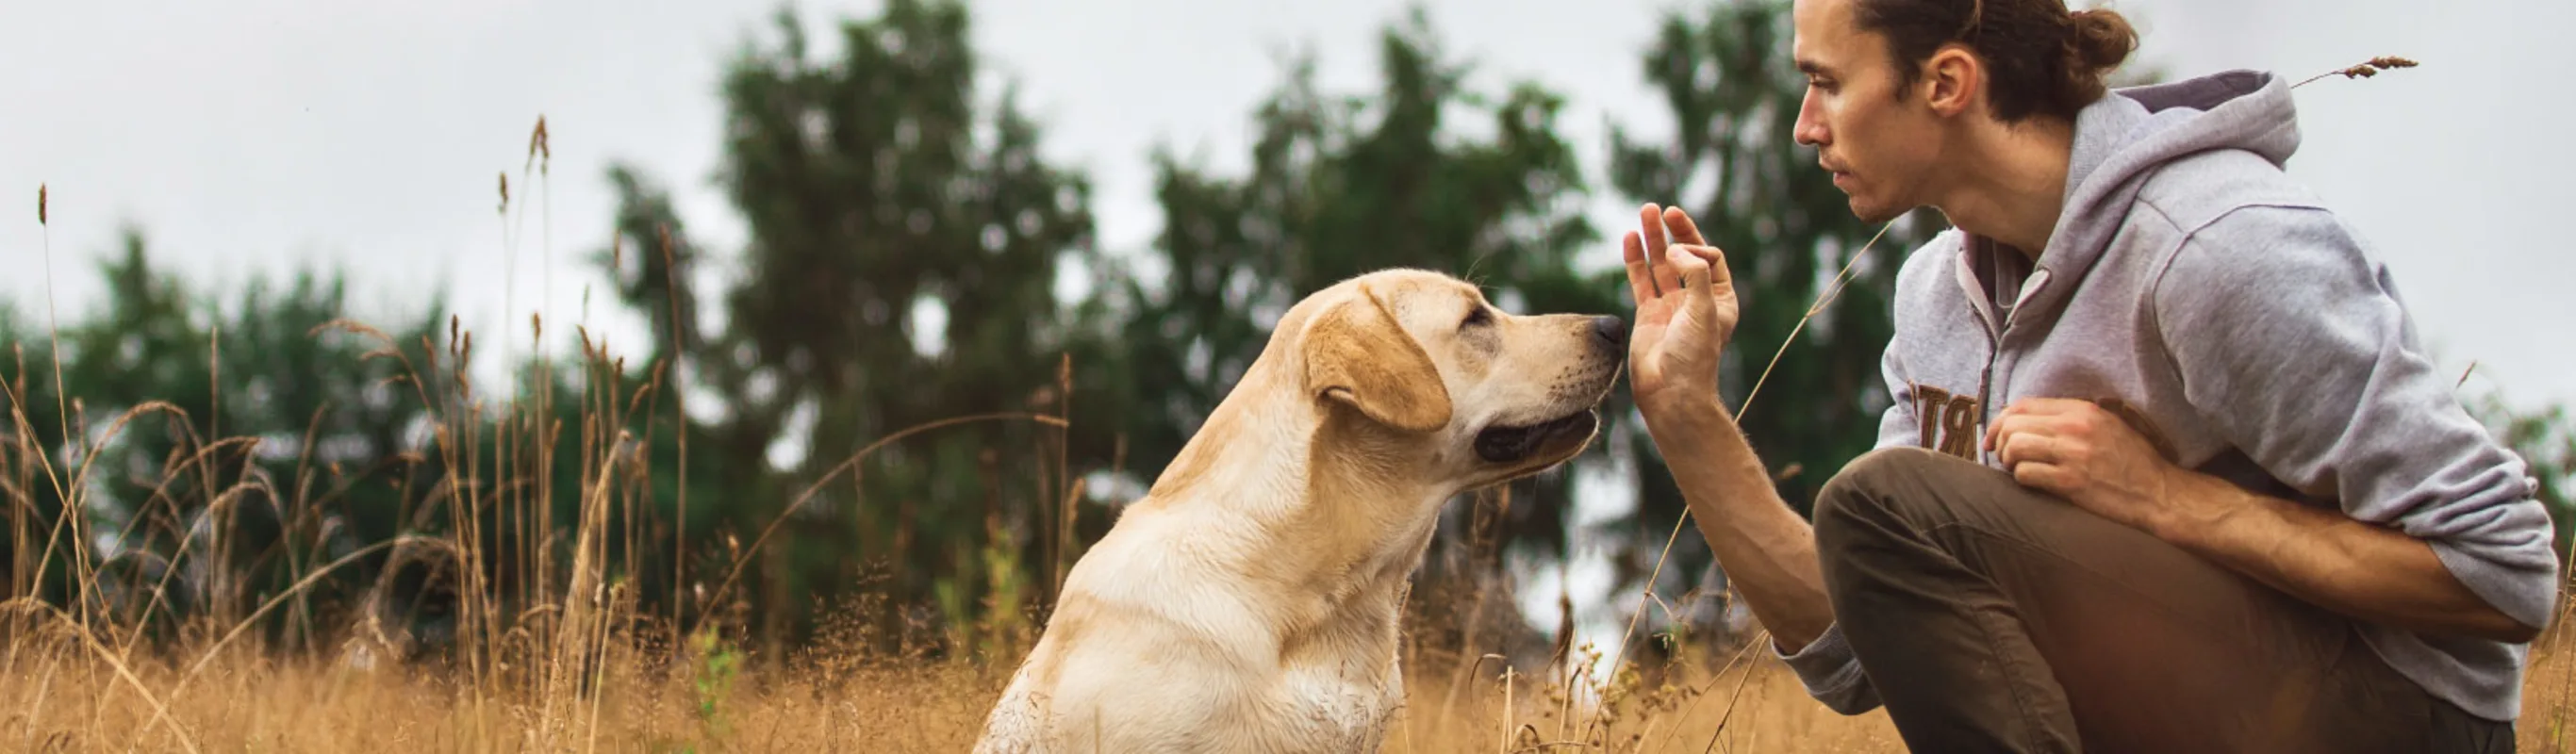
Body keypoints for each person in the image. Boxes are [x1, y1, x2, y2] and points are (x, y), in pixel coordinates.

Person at [1616, 0, 2558, 751]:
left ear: (1943, 81)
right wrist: (1686, 412)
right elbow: (1855, 651)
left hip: (2401, 716)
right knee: (1874, 515)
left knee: (1872, 501)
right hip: (2187, 699)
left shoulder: (2215, 247)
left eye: (1824, 82)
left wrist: (2165, 498)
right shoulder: (1933, 296)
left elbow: (2504, 573)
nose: (1802, 126)